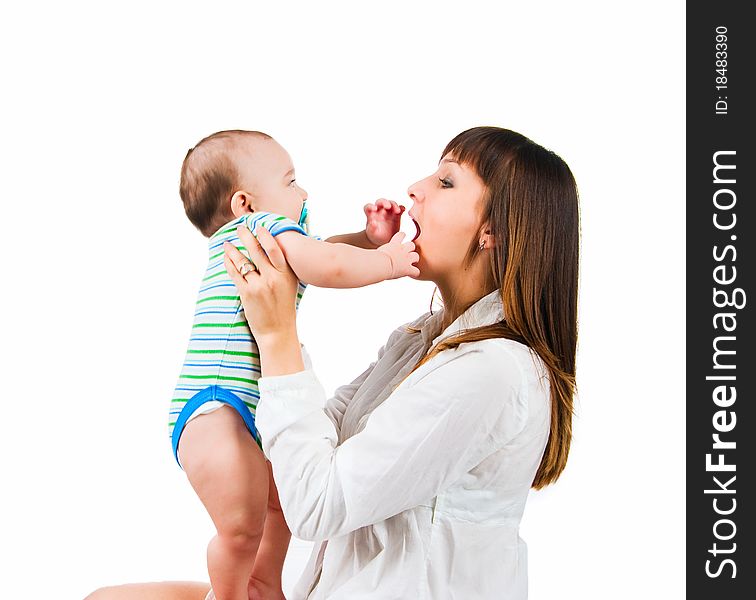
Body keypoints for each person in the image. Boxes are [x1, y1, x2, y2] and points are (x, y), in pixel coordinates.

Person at [87, 126, 579, 600]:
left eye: (446, 181)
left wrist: (278, 335)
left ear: (491, 231)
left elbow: (318, 505)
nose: (415, 188)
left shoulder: (490, 371)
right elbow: (317, 441)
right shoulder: (417, 341)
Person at [169, 130, 419, 600]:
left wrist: (365, 239)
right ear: (244, 201)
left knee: (280, 508)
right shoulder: (261, 226)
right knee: (241, 528)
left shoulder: (262, 235)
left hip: (238, 409)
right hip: (215, 406)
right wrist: (387, 260)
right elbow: (327, 264)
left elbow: (322, 252)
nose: (303, 194)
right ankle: (229, 596)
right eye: (290, 181)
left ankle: (263, 586)